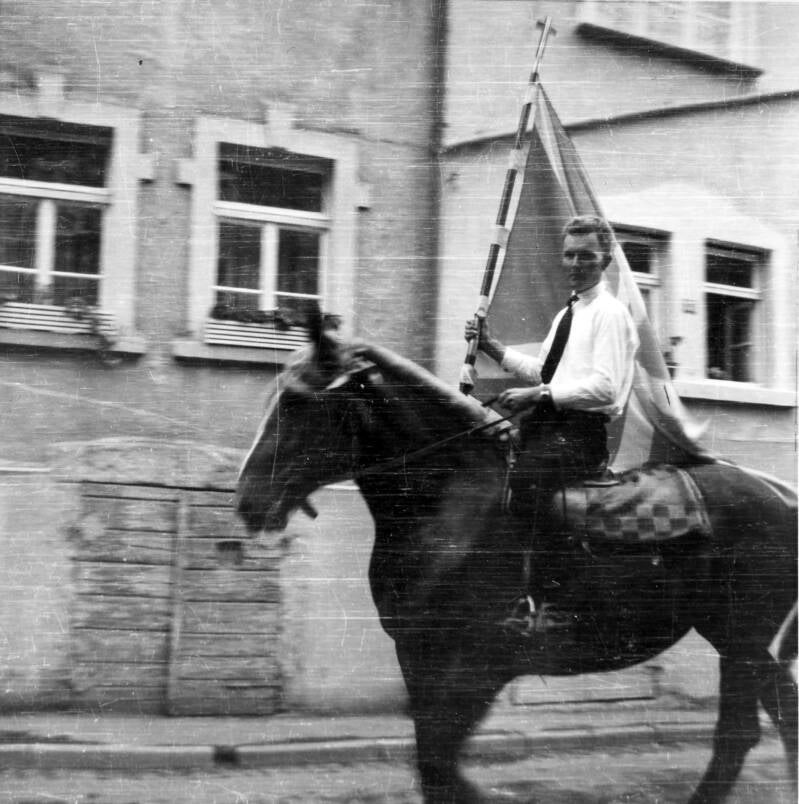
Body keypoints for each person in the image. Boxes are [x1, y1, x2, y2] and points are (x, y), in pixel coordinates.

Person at [465, 214, 639, 506]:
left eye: (586, 256)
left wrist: (538, 394)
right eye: (569, 255)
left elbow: (605, 388)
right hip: (547, 426)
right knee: (483, 455)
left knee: (523, 482)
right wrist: (489, 345)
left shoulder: (610, 313)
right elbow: (543, 373)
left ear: (605, 261)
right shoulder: (566, 314)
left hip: (580, 435)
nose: (575, 263)